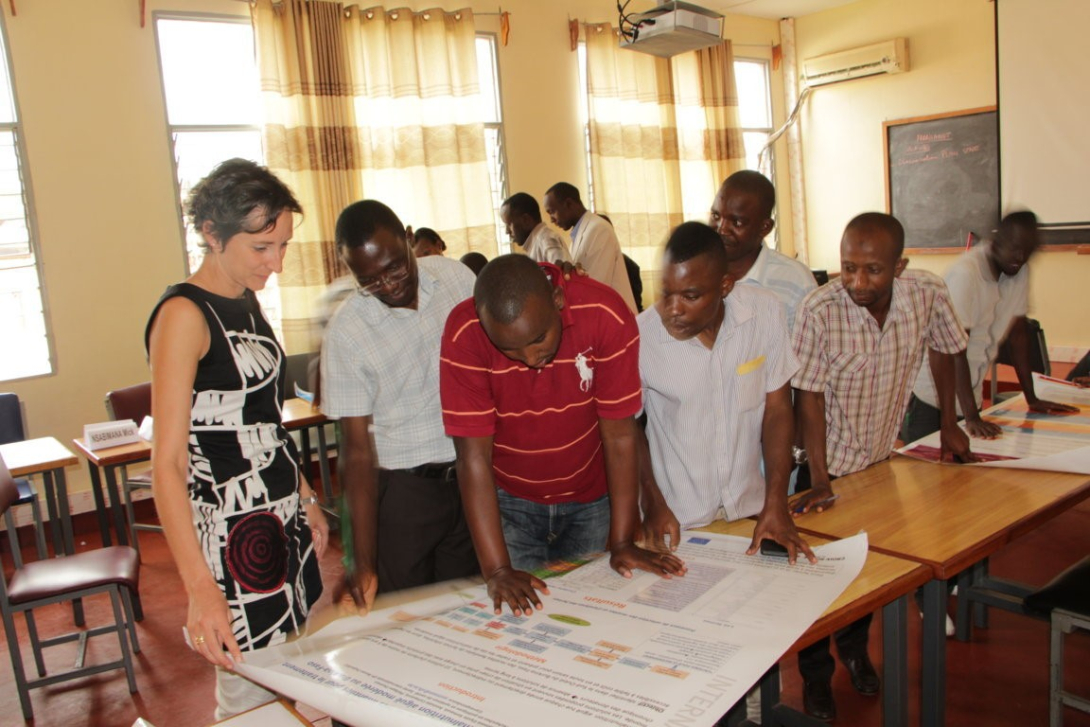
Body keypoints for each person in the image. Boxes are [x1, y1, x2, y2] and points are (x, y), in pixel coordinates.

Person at [146, 158, 328, 720]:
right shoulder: (184, 314)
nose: (274, 263)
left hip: (279, 519)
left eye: (282, 246)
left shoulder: (246, 301)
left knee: (289, 667)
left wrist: (305, 495)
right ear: (212, 234)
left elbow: (264, 419)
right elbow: (168, 465)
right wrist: (200, 589)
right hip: (233, 531)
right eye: (260, 248)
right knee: (249, 686)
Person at [790, 212, 973, 721]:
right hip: (824, 466)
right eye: (848, 268)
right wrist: (821, 476)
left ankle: (854, 650)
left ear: (900, 266)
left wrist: (953, 422)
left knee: (867, 572)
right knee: (818, 583)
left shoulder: (926, 293)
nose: (857, 282)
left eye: (872, 270)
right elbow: (807, 395)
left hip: (879, 465)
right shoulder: (819, 308)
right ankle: (815, 678)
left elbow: (947, 346)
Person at [440, 254, 685, 616]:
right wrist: (497, 569)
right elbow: (472, 457)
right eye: (508, 348)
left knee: (593, 616)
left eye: (539, 338)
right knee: (521, 622)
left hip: (591, 499)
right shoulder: (465, 332)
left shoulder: (604, 313)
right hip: (511, 502)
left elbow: (620, 435)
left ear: (558, 301)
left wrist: (621, 539)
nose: (528, 356)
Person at [321, 200, 479, 614]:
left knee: (469, 609)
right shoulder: (348, 333)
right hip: (404, 494)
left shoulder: (456, 280)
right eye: (369, 281)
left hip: (471, 477)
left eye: (394, 268)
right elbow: (355, 453)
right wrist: (361, 560)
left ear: (410, 239)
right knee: (402, 616)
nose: (388, 286)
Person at [638, 221, 814, 560]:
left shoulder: (764, 312)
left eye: (690, 296)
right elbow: (628, 430)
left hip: (749, 514)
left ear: (725, 286)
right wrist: (652, 502)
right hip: (677, 523)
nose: (673, 309)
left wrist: (776, 503)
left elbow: (778, 410)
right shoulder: (642, 337)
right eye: (665, 293)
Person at [902, 210, 1078, 443]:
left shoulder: (1019, 268)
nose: (1021, 256)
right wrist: (972, 417)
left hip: (969, 398)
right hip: (932, 402)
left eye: (1029, 250)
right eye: (1015, 247)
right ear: (996, 243)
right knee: (929, 475)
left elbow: (1018, 336)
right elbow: (955, 350)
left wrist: (1031, 398)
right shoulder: (967, 274)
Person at [709, 170, 816, 333]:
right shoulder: (697, 271)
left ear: (764, 228)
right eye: (716, 216)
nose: (721, 229)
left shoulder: (796, 281)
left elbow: (807, 353)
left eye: (736, 222)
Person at [542, 182, 638, 313]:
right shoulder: (577, 236)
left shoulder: (599, 228)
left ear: (568, 204)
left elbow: (596, 285)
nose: (551, 220)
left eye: (552, 212)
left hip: (615, 317)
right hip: (601, 316)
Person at [500, 192, 572, 264]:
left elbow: (561, 272)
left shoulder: (546, 240)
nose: (507, 231)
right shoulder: (536, 243)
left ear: (526, 220)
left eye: (509, 224)